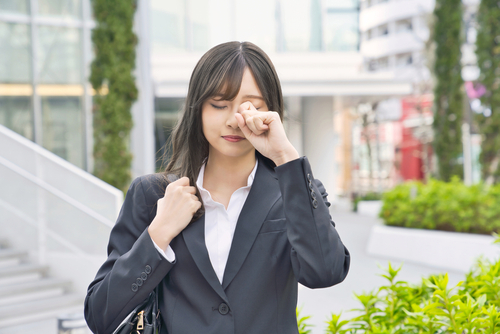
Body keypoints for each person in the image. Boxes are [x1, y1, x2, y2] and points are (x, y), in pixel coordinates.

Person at [84, 41, 350, 334]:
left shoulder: (295, 190)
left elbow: (326, 272)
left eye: (251, 107)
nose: (234, 120)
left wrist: (285, 156)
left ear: (270, 112)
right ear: (197, 109)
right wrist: (158, 235)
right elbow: (100, 314)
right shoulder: (153, 195)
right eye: (219, 104)